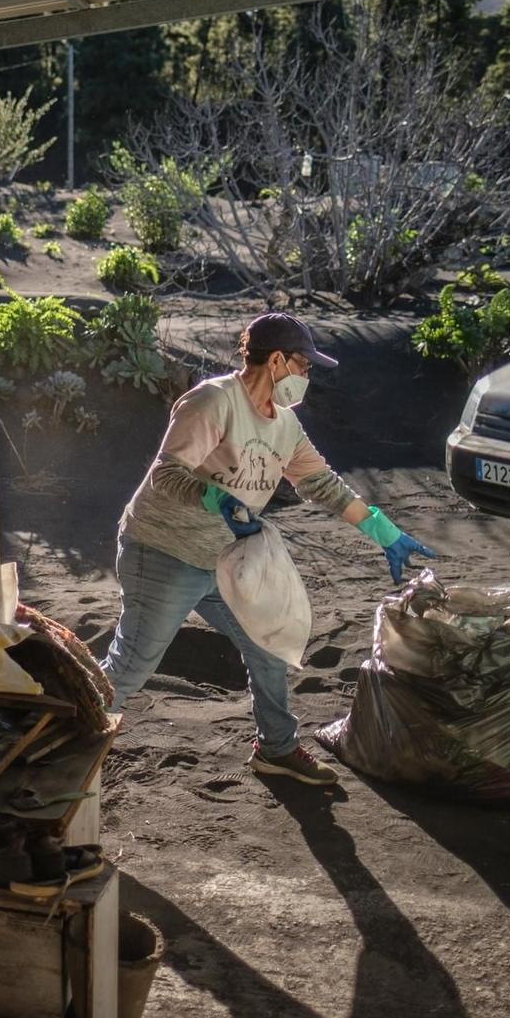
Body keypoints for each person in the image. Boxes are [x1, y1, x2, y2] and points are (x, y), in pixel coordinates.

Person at [100, 312, 434, 786]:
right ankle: (56, 738)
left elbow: (322, 484)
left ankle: (276, 748)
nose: (307, 376)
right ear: (276, 360)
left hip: (224, 560)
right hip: (163, 551)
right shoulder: (214, 401)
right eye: (304, 365)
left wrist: (385, 533)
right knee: (129, 668)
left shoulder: (286, 426)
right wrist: (215, 496)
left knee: (268, 644)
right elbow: (167, 474)